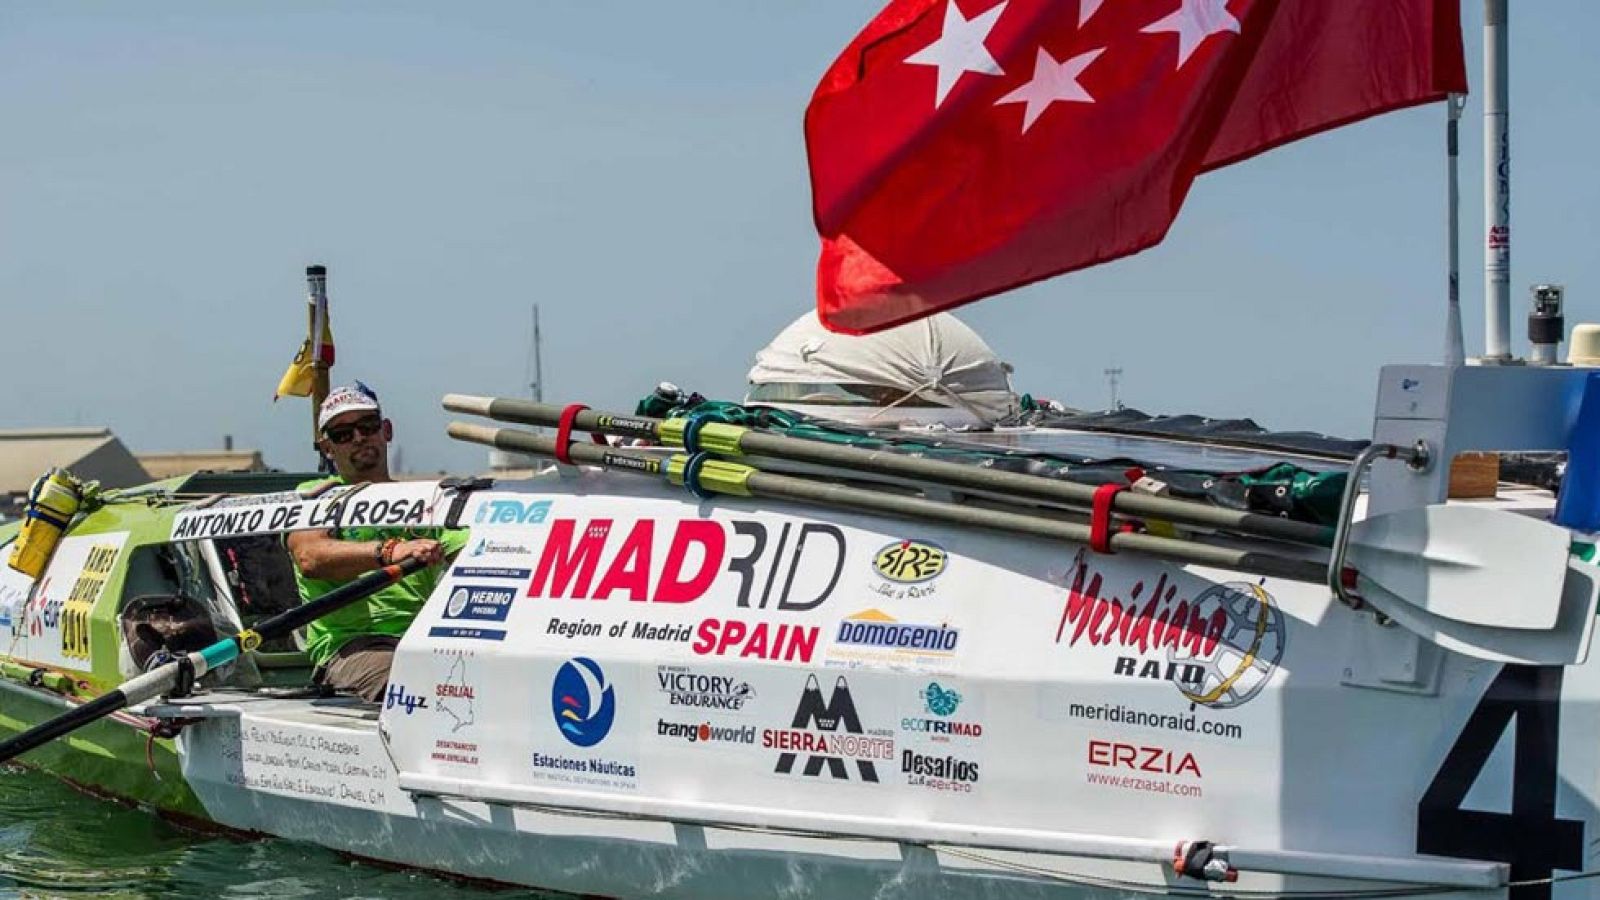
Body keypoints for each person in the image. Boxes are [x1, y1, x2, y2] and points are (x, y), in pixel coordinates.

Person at [286, 382, 466, 702]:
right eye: (343, 434)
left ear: (386, 430)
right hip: (352, 648)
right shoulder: (316, 496)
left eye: (367, 426)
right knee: (413, 686)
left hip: (423, 642)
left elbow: (472, 550)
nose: (358, 438)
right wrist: (391, 551)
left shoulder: (425, 500)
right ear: (327, 448)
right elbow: (310, 557)